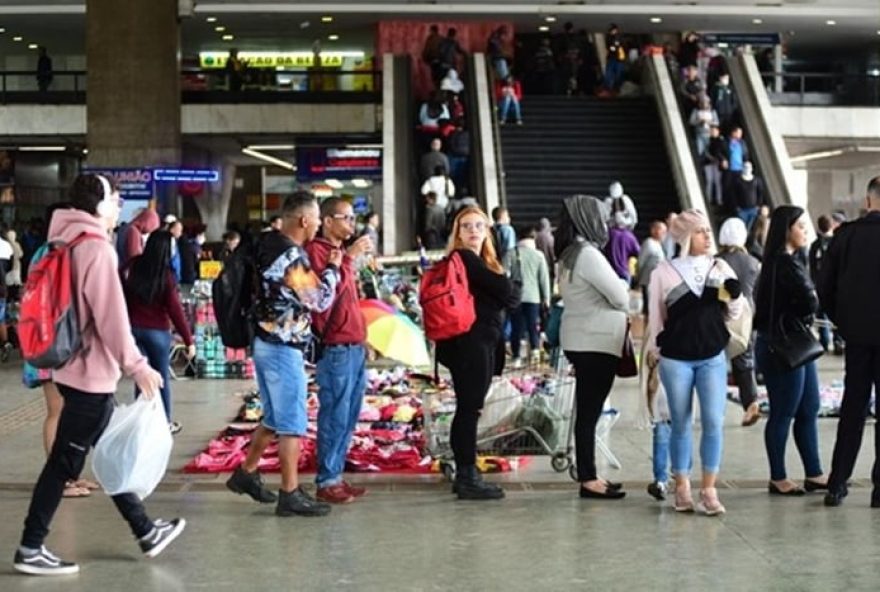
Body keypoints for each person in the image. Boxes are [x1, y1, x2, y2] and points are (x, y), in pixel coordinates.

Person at [14, 174, 182, 576]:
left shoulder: (63, 240)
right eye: (116, 198)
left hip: (72, 366)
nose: (120, 205)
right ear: (101, 205)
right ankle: (30, 546)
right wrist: (138, 366)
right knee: (62, 466)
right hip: (90, 372)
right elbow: (110, 317)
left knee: (107, 450)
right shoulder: (95, 248)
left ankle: (145, 529)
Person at [225, 191, 341, 517]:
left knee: (275, 418)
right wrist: (334, 268)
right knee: (292, 421)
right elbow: (318, 299)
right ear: (304, 220)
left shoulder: (266, 244)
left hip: (264, 341)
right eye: (317, 218)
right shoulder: (290, 257)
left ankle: (246, 474)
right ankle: (289, 493)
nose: (319, 224)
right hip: (281, 347)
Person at [646, 209, 744, 515]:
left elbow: (732, 313)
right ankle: (683, 485)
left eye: (708, 231)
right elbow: (655, 319)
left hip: (712, 355)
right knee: (680, 421)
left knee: (714, 421)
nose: (707, 236)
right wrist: (654, 352)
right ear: (687, 236)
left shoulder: (720, 267)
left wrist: (735, 297)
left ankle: (710, 489)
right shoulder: (664, 271)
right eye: (700, 231)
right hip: (676, 358)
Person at [436, 206, 518, 500]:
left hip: (475, 343)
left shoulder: (480, 261)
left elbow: (507, 294)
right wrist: (506, 289)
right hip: (470, 345)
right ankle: (467, 475)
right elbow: (507, 290)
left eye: (479, 226)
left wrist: (505, 291)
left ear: (487, 231)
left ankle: (466, 473)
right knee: (469, 410)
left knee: (469, 408)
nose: (473, 231)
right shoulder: (464, 258)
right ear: (457, 233)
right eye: (467, 226)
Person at [555, 194, 630, 500]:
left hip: (579, 337)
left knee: (586, 410)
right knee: (589, 412)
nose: (605, 223)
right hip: (596, 341)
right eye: (600, 217)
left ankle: (591, 475)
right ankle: (589, 479)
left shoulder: (569, 254)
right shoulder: (588, 254)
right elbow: (621, 297)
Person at [753, 206, 827, 496]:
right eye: (800, 226)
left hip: (796, 342)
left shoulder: (790, 260)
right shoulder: (782, 263)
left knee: (809, 407)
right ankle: (778, 477)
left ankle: (814, 472)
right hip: (780, 345)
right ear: (786, 230)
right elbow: (810, 301)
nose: (805, 231)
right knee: (783, 411)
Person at [306, 198, 373, 504]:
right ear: (327, 221)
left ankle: (336, 475)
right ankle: (326, 480)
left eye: (352, 217)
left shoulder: (340, 255)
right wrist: (348, 259)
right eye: (345, 217)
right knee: (334, 412)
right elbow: (325, 299)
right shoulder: (317, 252)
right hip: (335, 347)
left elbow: (350, 300)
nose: (351, 223)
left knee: (349, 413)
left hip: (354, 345)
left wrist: (363, 337)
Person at [819, 177, 880, 507]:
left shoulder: (845, 236)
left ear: (868, 202)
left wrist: (842, 321)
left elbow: (824, 287)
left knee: (853, 409)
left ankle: (838, 483)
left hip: (856, 338)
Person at [124, 230, 196, 435]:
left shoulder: (131, 266)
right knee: (161, 376)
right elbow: (175, 310)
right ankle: (164, 422)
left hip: (132, 329)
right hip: (158, 332)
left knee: (142, 376)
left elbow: (120, 295)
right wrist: (188, 340)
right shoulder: (166, 275)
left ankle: (141, 421)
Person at [717, 218, 762, 426]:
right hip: (746, 317)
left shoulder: (716, 261)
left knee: (715, 361)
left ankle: (716, 407)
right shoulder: (753, 263)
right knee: (744, 360)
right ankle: (751, 402)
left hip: (720, 316)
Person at [503, 226, 550, 367]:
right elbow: (544, 279)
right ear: (533, 238)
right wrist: (546, 298)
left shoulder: (511, 253)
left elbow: (504, 275)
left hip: (515, 298)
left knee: (516, 328)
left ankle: (516, 356)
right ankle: (534, 355)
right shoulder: (538, 255)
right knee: (532, 327)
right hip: (534, 298)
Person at [809, 215, 842, 354]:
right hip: (836, 285)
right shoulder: (838, 242)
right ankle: (838, 340)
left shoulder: (815, 245)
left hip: (821, 285)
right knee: (838, 315)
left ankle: (823, 342)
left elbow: (811, 266)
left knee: (822, 314)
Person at [637, 221, 667, 316]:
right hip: (648, 280)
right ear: (654, 230)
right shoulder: (649, 243)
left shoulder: (659, 245)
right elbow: (641, 261)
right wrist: (639, 278)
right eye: (662, 231)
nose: (664, 234)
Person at [603, 212, 640, 283]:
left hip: (609, 271)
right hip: (624, 271)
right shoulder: (630, 236)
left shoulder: (608, 234)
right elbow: (638, 253)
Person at [730, 161, 764, 230]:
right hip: (742, 210)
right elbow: (734, 194)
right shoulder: (738, 181)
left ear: (751, 169)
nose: (747, 169)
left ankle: (751, 240)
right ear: (742, 168)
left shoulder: (757, 180)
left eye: (749, 167)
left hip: (753, 209)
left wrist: (758, 205)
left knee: (753, 228)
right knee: (742, 228)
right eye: (745, 167)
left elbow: (760, 193)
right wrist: (736, 206)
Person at [703, 125, 726, 207]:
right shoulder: (707, 140)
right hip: (708, 163)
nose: (712, 132)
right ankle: (708, 199)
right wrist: (711, 158)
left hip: (717, 164)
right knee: (709, 181)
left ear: (718, 131)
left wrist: (720, 160)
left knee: (717, 182)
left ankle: (719, 200)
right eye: (711, 131)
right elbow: (705, 151)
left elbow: (723, 152)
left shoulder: (721, 141)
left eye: (714, 131)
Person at [0, 230, 13, 361]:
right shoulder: (7, 245)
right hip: (3, 288)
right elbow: (9, 266)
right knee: (1, 319)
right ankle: (5, 343)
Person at [603, 23, 626, 91]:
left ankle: (614, 87)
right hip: (615, 58)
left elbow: (615, 47)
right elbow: (611, 47)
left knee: (616, 73)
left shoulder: (618, 37)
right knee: (612, 73)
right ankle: (612, 87)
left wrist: (614, 47)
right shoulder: (611, 37)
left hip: (617, 58)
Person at [534, 217, 556, 285]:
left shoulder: (535, 237)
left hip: (537, 265)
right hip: (548, 266)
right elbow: (552, 253)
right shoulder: (550, 238)